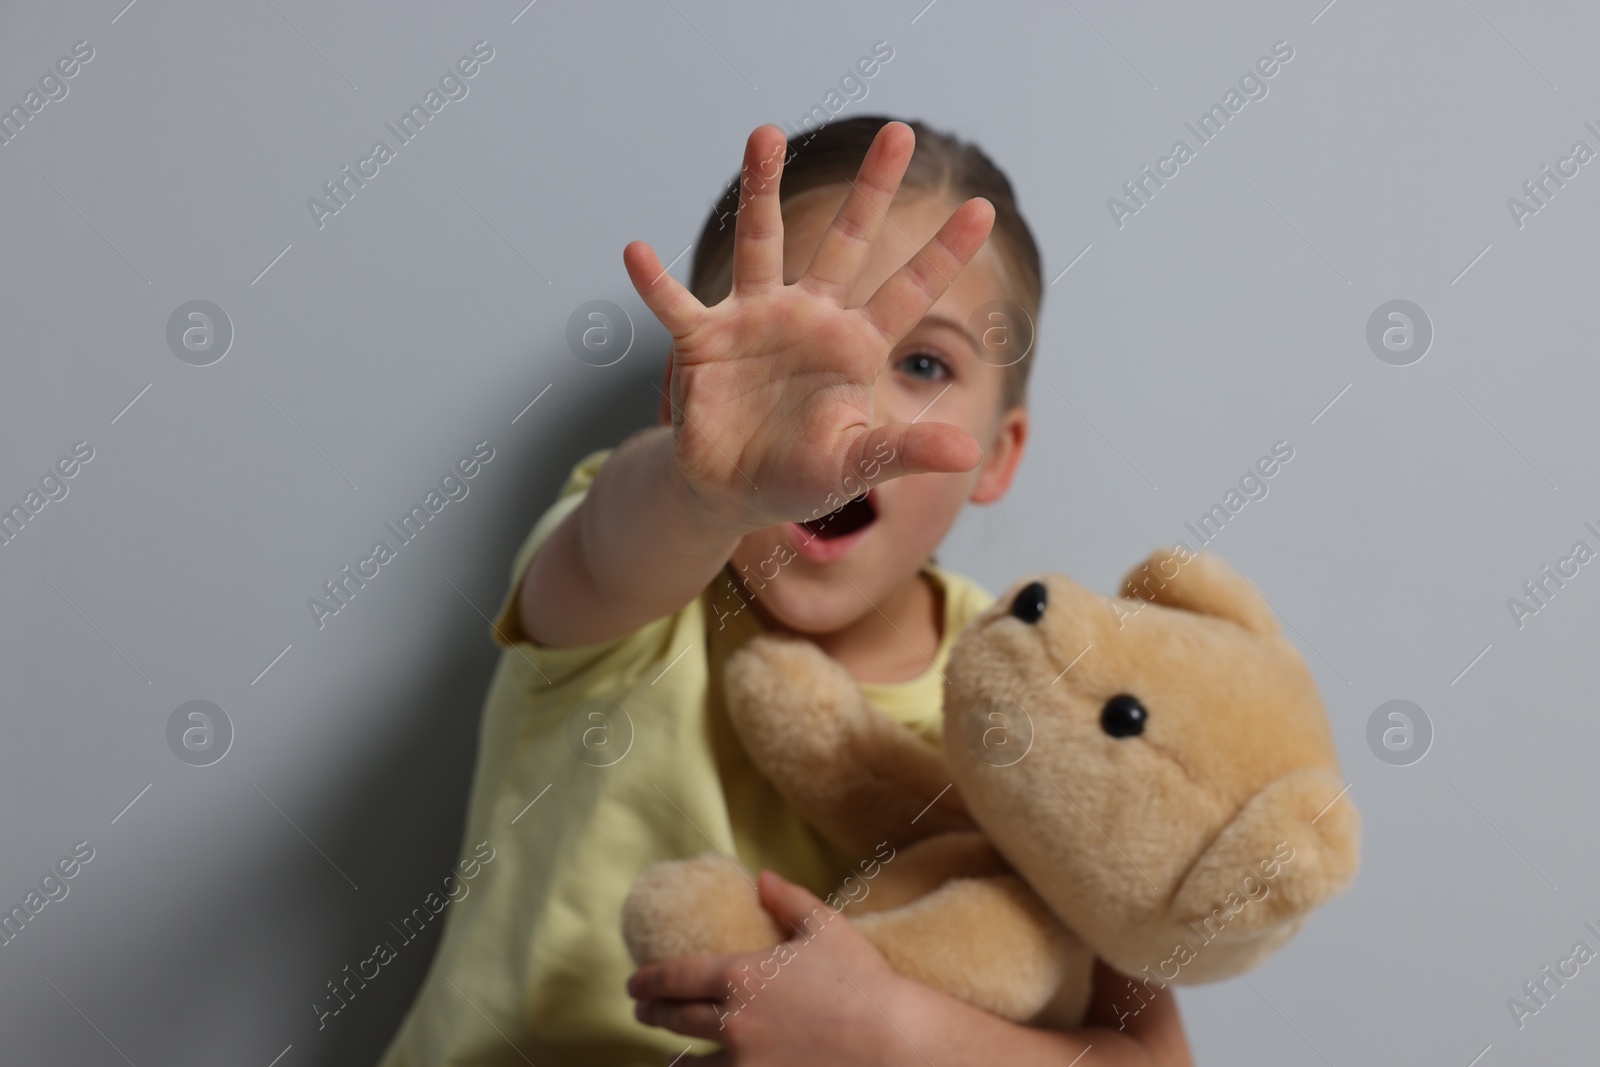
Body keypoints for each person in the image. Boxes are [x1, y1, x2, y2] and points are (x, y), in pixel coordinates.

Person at [376, 116, 1194, 1066]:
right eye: (794, 362)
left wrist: (895, 1034)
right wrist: (700, 482)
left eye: (923, 364)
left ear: (999, 455)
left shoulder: (1043, 688)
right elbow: (611, 554)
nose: (844, 414)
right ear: (687, 394)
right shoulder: (637, 574)